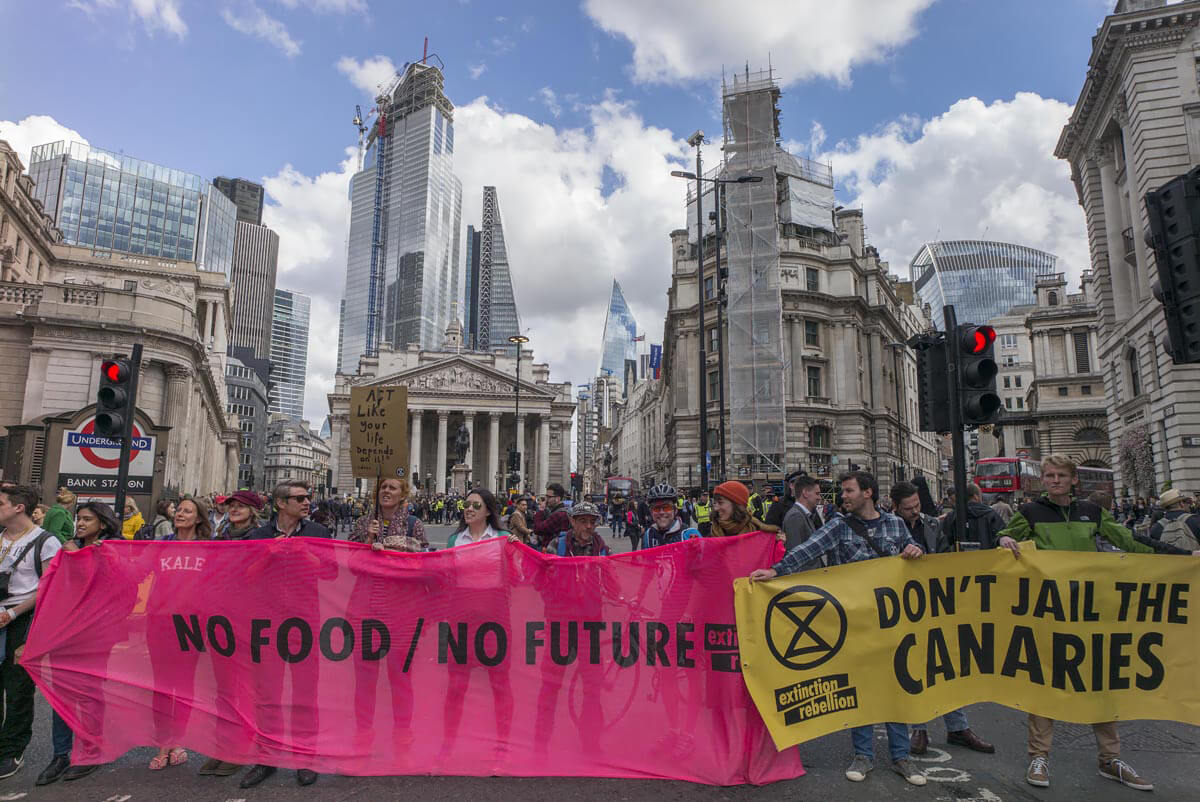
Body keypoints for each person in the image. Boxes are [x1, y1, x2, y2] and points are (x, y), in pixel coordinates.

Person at [996, 454, 1189, 791]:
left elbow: (1130, 542)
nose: (1054, 480)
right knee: (1044, 682)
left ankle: (1109, 759)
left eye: (1061, 475)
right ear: (1043, 479)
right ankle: (1038, 756)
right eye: (1049, 475)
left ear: (1073, 480)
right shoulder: (1028, 513)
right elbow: (1001, 543)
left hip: (1090, 613)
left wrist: (1184, 559)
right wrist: (1002, 541)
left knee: (1100, 680)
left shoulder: (1092, 512)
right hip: (1050, 613)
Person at [749, 471, 927, 787]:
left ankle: (902, 757)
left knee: (896, 688)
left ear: (868, 492)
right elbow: (806, 550)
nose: (842, 496)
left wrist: (915, 550)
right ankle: (863, 755)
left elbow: (915, 552)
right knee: (860, 689)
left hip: (892, 623)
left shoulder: (896, 525)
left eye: (848, 491)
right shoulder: (839, 526)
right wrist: (776, 570)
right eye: (843, 491)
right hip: (856, 624)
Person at [889, 482, 994, 756]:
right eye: (908, 508)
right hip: (905, 606)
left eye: (917, 506)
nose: (914, 512)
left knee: (946, 665)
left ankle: (958, 727)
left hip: (937, 603)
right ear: (896, 507)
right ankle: (919, 729)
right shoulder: (890, 527)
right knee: (915, 668)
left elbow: (945, 554)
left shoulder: (932, 524)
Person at [240, 481, 331, 789]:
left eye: (308, 498)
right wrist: (270, 554)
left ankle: (306, 758)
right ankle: (266, 758)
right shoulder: (259, 536)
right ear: (280, 503)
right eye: (300, 498)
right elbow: (245, 576)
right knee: (268, 695)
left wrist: (305, 556)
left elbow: (331, 573)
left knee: (306, 694)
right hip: (267, 624)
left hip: (305, 622)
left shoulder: (319, 533)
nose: (307, 502)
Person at [37, 501, 121, 786]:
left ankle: (90, 750)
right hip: (65, 630)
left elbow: (116, 588)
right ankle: (61, 754)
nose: (81, 524)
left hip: (97, 632)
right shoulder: (68, 548)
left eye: (87, 519)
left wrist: (85, 560)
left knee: (89, 692)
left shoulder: (114, 550)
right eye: (79, 519)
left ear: (103, 523)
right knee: (61, 693)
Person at [0, 485, 63, 780]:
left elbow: (49, 587)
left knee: (18, 689)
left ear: (18, 508)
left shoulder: (46, 542)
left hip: (23, 621)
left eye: (1, 503)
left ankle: (11, 750)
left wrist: (13, 612)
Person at [349, 478, 428, 552]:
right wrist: (369, 539)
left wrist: (387, 550)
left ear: (402, 496)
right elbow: (352, 557)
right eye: (383, 487)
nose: (386, 490)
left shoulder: (414, 524)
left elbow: (423, 558)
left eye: (392, 488)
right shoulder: (362, 522)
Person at [941, 483, 1006, 549]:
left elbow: (944, 542)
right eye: (981, 495)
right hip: (986, 556)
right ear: (976, 496)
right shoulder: (991, 514)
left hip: (960, 558)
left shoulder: (951, 516)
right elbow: (1002, 533)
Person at [641, 483, 701, 548]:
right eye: (656, 508)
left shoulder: (689, 534)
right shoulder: (648, 535)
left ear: (675, 510)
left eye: (667, 507)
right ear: (651, 512)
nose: (661, 512)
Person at [780, 475, 825, 559]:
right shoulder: (795, 516)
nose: (819, 498)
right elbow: (795, 555)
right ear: (805, 493)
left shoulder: (805, 514)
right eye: (817, 493)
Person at [532, 483, 572, 550]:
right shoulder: (562, 511)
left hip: (551, 550)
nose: (546, 500)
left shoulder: (558, 515)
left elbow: (538, 529)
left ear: (557, 499)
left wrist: (541, 511)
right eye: (546, 496)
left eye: (549, 497)